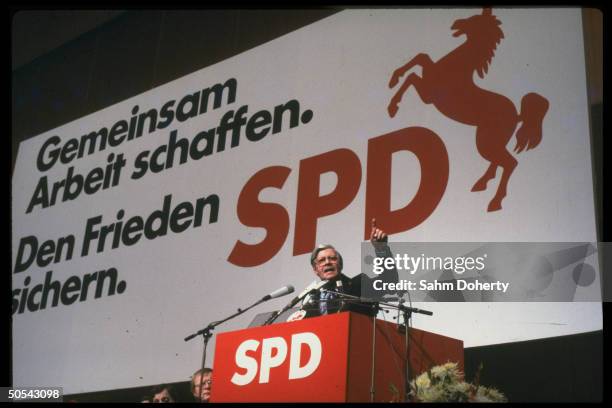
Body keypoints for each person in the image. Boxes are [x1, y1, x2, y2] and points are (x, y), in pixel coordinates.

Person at [304, 218, 399, 317]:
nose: (327, 262)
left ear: (340, 264)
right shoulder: (312, 299)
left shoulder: (359, 284)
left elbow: (389, 281)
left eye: (332, 258)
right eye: (322, 260)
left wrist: (381, 248)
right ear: (316, 270)